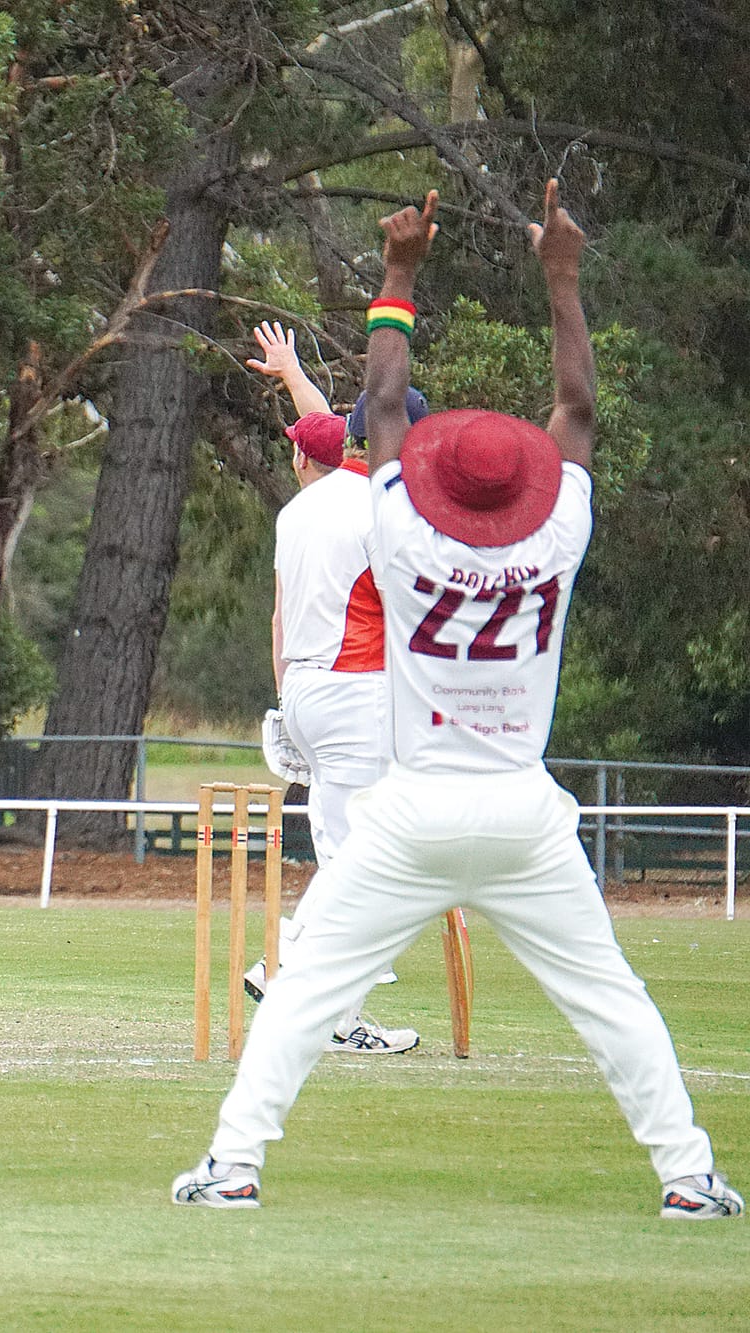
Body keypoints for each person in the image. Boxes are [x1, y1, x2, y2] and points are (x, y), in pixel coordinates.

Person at [174, 181, 741, 1220]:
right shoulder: (552, 541)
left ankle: (233, 1163)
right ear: (523, 487)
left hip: (414, 806)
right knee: (609, 997)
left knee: (302, 987)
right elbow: (574, 410)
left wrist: (397, 273)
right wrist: (559, 275)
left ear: (432, 485)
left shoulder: (397, 531)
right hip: (522, 813)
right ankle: (688, 1176)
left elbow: (378, 412)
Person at [244, 322, 418, 1055]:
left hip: (307, 694)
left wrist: (288, 372)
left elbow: (282, 618)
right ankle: (279, 966)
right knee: (365, 863)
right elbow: (410, 609)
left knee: (359, 856)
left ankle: (340, 1014)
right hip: (358, 694)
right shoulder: (380, 506)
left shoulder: (300, 507)